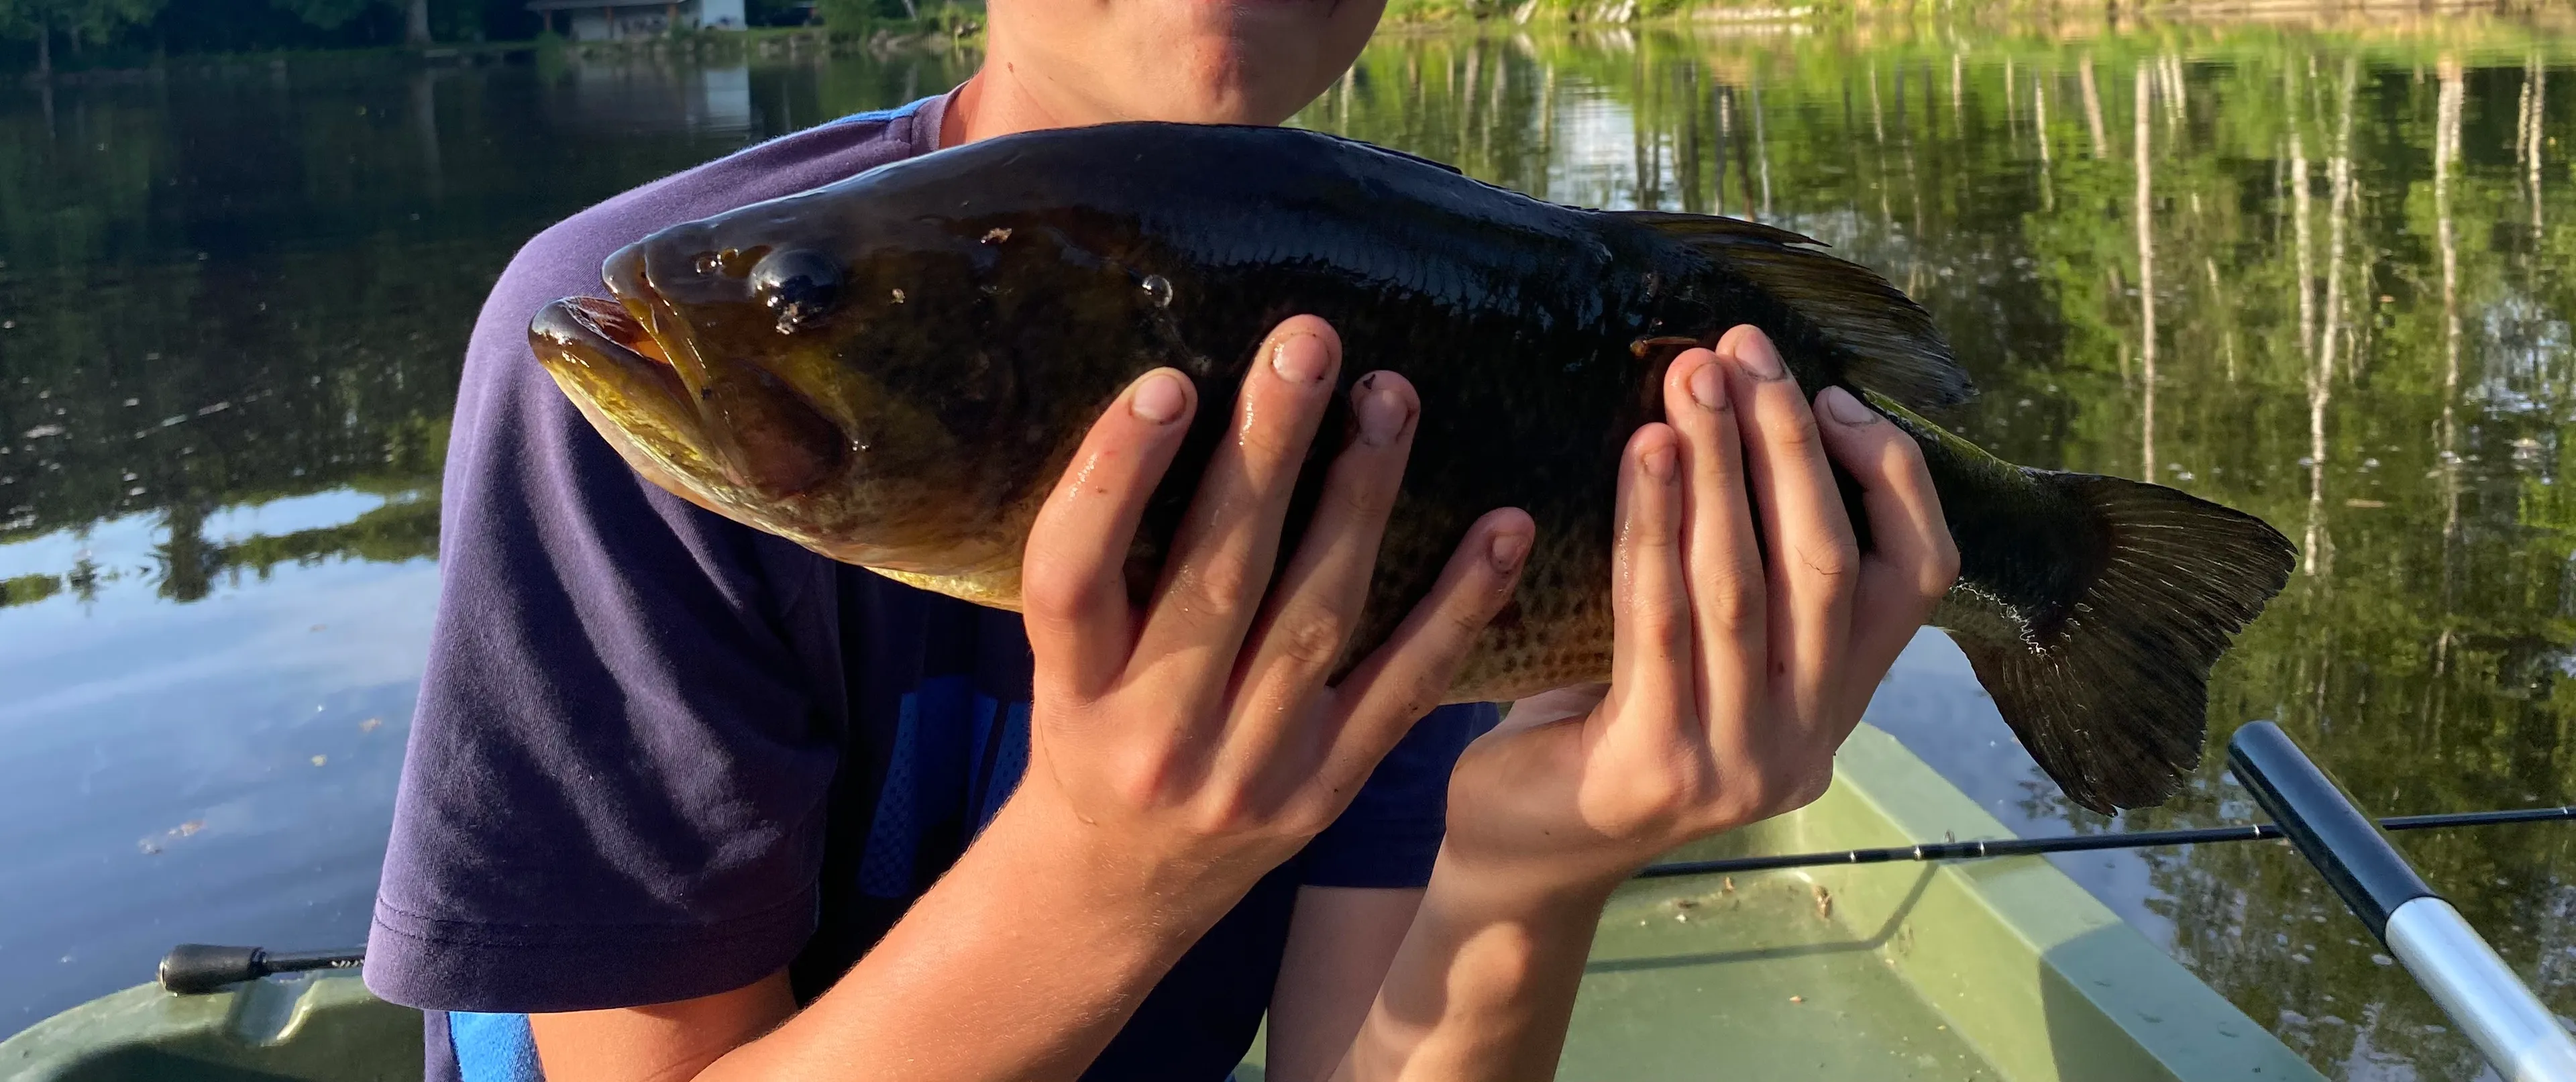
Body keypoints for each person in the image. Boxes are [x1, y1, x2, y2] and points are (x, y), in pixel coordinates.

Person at [365, 2, 1959, 1080]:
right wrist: (1107, 872)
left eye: (797, 306)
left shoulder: (1388, 374)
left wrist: (1529, 861)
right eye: (809, 301)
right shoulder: (609, 388)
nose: (781, 319)